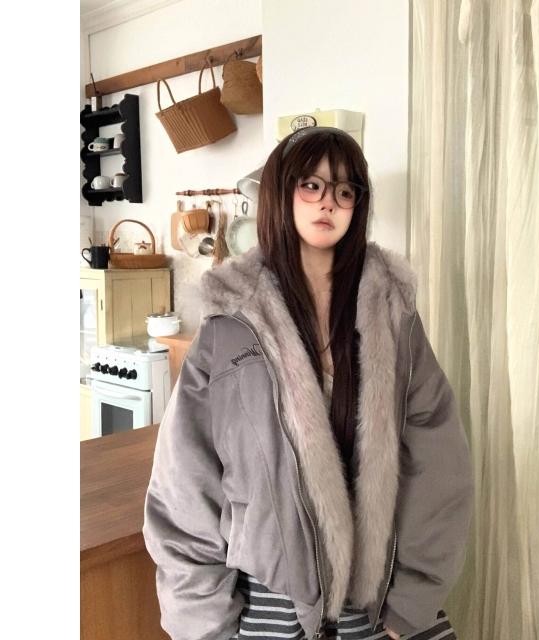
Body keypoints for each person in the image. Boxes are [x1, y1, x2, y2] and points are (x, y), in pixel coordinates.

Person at [142, 126, 474, 640]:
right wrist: (204, 623)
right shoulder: (231, 323)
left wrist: (413, 598)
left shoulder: (392, 312)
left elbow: (439, 463)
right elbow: (185, 479)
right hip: (266, 607)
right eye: (311, 186)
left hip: (377, 606)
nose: (328, 203)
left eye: (344, 191)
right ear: (282, 192)